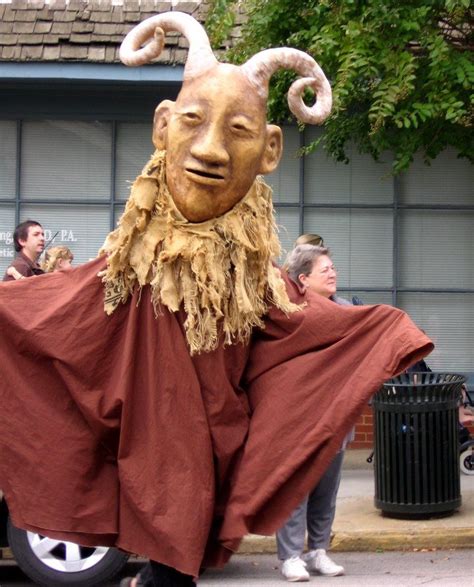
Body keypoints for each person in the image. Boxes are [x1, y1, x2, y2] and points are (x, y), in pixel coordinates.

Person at [0, 12, 433, 587]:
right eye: (193, 121)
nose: (210, 149)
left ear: (270, 149)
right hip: (154, 464)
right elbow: (61, 312)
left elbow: (299, 324)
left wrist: (379, 330)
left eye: (239, 130)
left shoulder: (254, 272)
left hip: (209, 459)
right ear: (163, 128)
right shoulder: (132, 259)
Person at [276, 244, 350, 581]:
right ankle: (291, 556)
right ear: (303, 278)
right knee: (296, 489)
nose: (333, 273)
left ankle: (318, 550)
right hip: (299, 419)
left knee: (325, 490)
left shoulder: (348, 311)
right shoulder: (286, 314)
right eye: (326, 270)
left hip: (337, 417)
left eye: (333, 268)